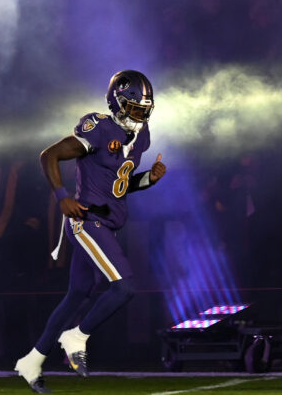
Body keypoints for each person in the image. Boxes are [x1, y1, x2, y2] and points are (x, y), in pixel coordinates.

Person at [14, 70, 166, 393]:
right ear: (118, 102)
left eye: (144, 109)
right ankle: (76, 337)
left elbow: (120, 186)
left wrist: (148, 179)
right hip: (87, 221)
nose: (141, 115)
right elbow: (49, 156)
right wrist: (62, 197)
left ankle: (31, 361)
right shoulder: (99, 128)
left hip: (107, 224)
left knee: (76, 295)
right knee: (124, 288)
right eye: (135, 108)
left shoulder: (141, 137)